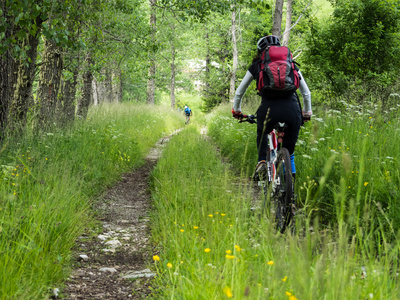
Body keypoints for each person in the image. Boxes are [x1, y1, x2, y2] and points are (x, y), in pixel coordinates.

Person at [231, 35, 312, 181]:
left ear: (260, 52)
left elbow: (239, 92)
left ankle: (262, 161)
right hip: (293, 110)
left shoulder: (257, 66)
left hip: (269, 110)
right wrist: (306, 113)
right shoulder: (292, 65)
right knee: (290, 152)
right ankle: (290, 195)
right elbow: (306, 93)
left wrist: (237, 110)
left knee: (262, 131)